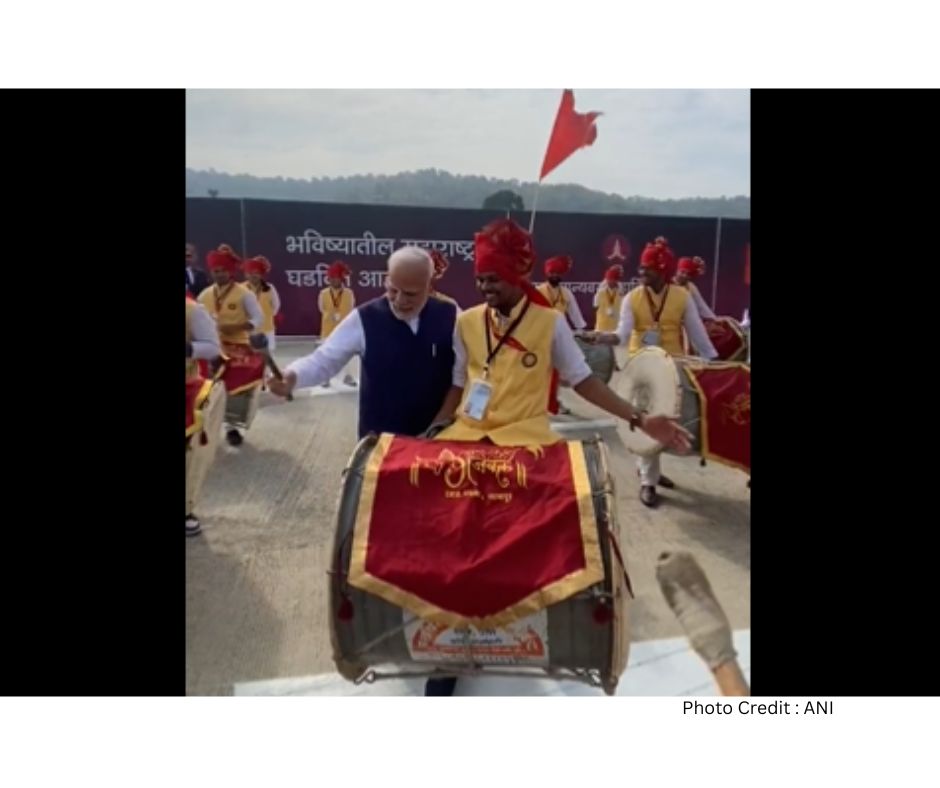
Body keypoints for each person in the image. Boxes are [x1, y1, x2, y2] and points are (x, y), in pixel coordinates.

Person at [268, 246, 459, 697]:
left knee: (440, 552)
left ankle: (442, 649)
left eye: (410, 293)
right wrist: (292, 377)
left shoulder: (453, 318)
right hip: (381, 455)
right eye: (391, 288)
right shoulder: (365, 317)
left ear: (431, 287)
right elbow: (325, 359)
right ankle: (389, 632)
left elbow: (464, 377)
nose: (398, 300)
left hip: (438, 455)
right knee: (382, 548)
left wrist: (444, 427)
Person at [588, 237, 717, 507]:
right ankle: (648, 481)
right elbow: (622, 334)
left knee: (667, 419)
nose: (641, 273)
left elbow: (698, 334)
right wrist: (602, 338)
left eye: (647, 268)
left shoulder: (682, 297)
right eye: (641, 268)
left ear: (662, 270)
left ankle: (652, 471)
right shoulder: (632, 298)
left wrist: (713, 363)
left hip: (673, 367)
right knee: (645, 419)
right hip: (640, 365)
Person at [197, 244, 265, 446]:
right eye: (215, 271)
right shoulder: (205, 295)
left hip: (238, 345)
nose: (218, 275)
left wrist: (235, 326)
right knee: (199, 381)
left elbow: (258, 318)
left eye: (222, 271)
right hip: (211, 345)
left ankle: (233, 427)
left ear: (230, 271)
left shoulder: (244, 294)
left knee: (235, 382)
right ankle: (200, 427)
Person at [186, 296, 222, 537]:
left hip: (186, 389)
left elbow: (212, 347)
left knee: (188, 455)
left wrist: (189, 349)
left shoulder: (192, 311)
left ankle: (186, 509)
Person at [317, 261, 357, 387]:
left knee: (347, 354)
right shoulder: (323, 293)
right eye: (331, 278)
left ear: (341, 279)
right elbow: (321, 308)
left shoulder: (349, 293)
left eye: (337, 278)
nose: (334, 281)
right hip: (327, 329)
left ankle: (348, 376)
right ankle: (325, 378)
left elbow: (351, 308)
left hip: (345, 329)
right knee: (326, 355)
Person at [536, 255, 587, 331]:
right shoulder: (538, 291)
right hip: (542, 329)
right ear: (547, 273)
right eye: (552, 272)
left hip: (561, 330)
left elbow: (574, 313)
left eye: (557, 273)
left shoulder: (567, 293)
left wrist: (580, 328)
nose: (554, 275)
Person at [244, 255, 281, 351]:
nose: (254, 275)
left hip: (266, 328)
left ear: (261, 274)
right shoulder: (241, 288)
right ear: (246, 274)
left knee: (268, 356)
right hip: (248, 330)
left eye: (256, 273)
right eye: (251, 273)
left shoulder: (269, 288)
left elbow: (276, 306)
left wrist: (266, 316)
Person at [592, 264, 624, 332]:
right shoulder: (602, 289)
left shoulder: (620, 287)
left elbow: (622, 304)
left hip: (615, 325)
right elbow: (596, 305)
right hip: (602, 325)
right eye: (619, 271)